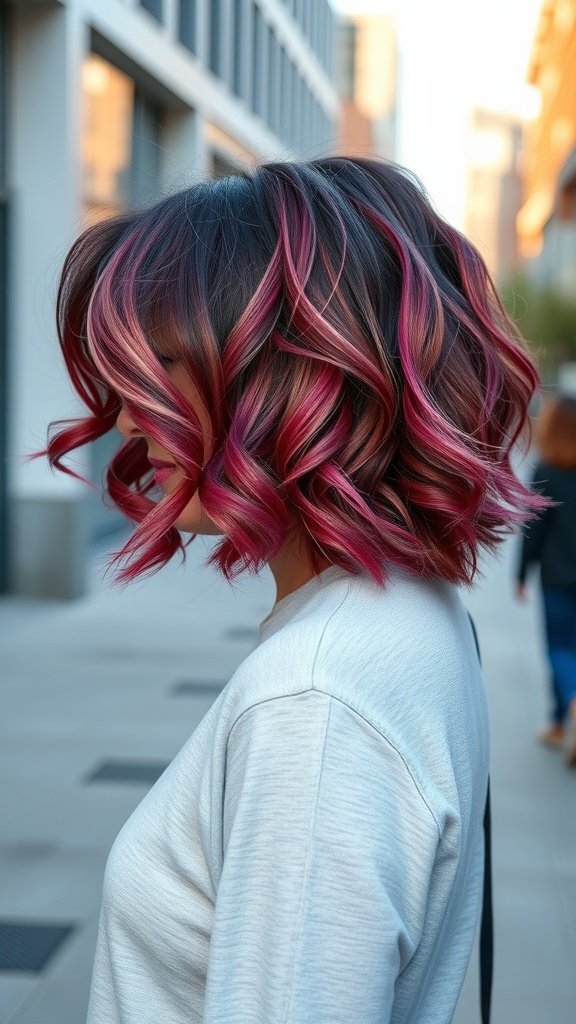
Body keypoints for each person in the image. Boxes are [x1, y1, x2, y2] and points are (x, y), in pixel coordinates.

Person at [33, 157, 544, 1023]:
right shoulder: (409, 611)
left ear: (291, 372)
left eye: (163, 358)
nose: (124, 416)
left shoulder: (315, 700)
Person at [516, 381, 576, 767]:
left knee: (559, 648)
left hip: (557, 577)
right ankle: (559, 722)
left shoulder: (546, 469)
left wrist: (521, 573)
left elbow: (532, 529)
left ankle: (570, 703)